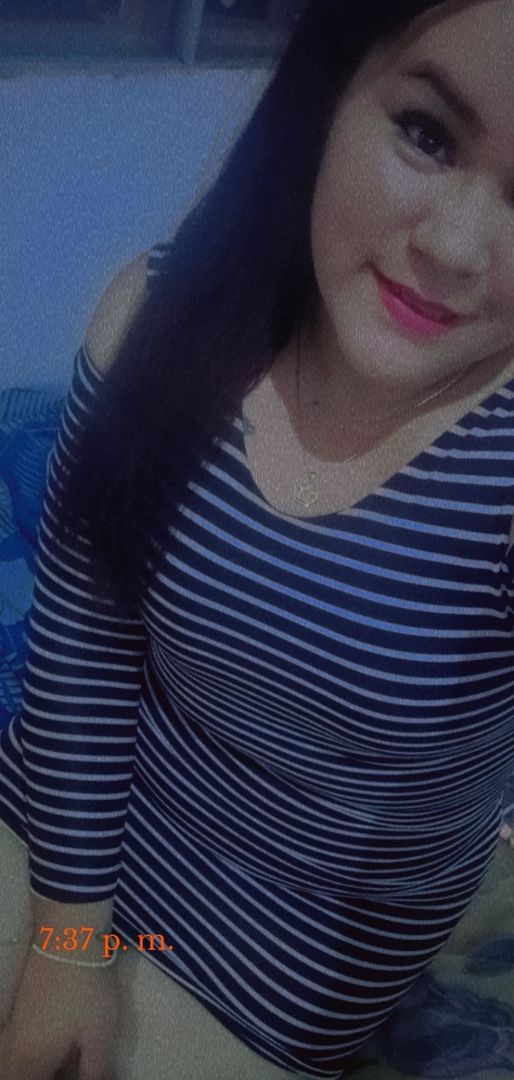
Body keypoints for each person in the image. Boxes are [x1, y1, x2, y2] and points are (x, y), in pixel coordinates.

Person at [0, 0, 514, 1076]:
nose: (458, 248)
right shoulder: (155, 313)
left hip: (279, 962)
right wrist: (66, 941)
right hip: (67, 841)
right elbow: (87, 644)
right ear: (330, 90)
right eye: (426, 134)